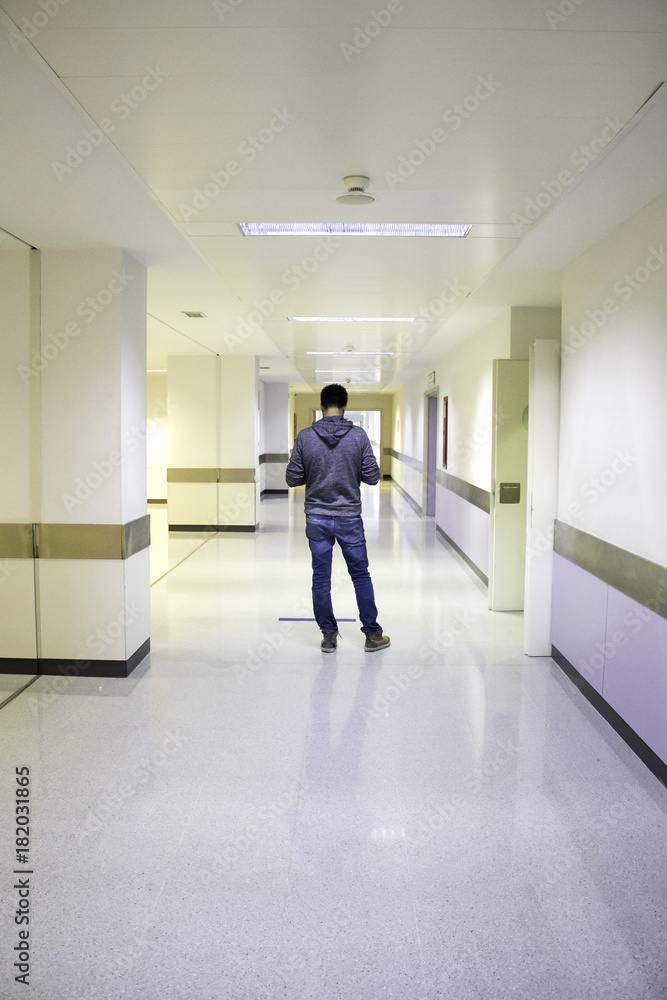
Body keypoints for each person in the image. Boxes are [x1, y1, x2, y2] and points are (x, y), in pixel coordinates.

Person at [286, 383, 390, 653]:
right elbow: (373, 477)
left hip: (317, 518)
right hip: (349, 518)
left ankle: (329, 636)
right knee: (360, 575)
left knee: (321, 577)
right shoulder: (358, 436)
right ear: (345, 406)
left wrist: (316, 469)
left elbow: (292, 477)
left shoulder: (305, 437)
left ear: (322, 407)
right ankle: (372, 635)